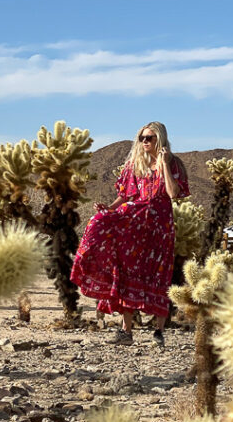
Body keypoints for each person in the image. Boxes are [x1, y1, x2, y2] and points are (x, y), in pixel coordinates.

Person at [70, 121, 190, 346]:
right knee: (126, 270)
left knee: (158, 273)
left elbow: (173, 194)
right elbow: (124, 196)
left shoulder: (174, 164)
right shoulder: (134, 164)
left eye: (150, 138)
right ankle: (126, 331)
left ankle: (159, 333)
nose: (145, 142)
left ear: (160, 139)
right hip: (135, 224)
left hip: (160, 226)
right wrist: (109, 208)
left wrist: (164, 164)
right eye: (142, 138)